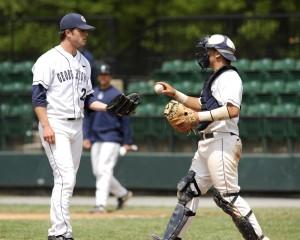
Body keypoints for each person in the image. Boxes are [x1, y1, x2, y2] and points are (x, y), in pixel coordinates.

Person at [152, 34, 269, 240]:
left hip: (222, 141)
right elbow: (202, 104)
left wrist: (197, 117)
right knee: (189, 190)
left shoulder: (230, 77)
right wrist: (176, 94)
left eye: (208, 50)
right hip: (208, 142)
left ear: (217, 53)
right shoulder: (216, 78)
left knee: (228, 198)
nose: (205, 54)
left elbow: (232, 110)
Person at [31, 13, 129, 240]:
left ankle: (59, 232)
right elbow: (38, 98)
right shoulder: (48, 60)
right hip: (55, 122)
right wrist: (46, 126)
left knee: (66, 179)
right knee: (66, 178)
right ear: (68, 32)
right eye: (81, 30)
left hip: (78, 125)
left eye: (86, 30)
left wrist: (109, 108)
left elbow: (88, 100)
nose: (86, 34)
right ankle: (60, 233)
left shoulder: (85, 62)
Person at [83, 63, 134, 213]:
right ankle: (123, 194)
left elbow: (125, 119)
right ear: (98, 77)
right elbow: (87, 118)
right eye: (101, 74)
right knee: (98, 171)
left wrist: (127, 141)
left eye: (106, 74)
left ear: (110, 76)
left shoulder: (117, 94)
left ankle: (100, 205)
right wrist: (86, 136)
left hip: (112, 136)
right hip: (96, 137)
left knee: (104, 170)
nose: (103, 77)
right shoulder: (93, 93)